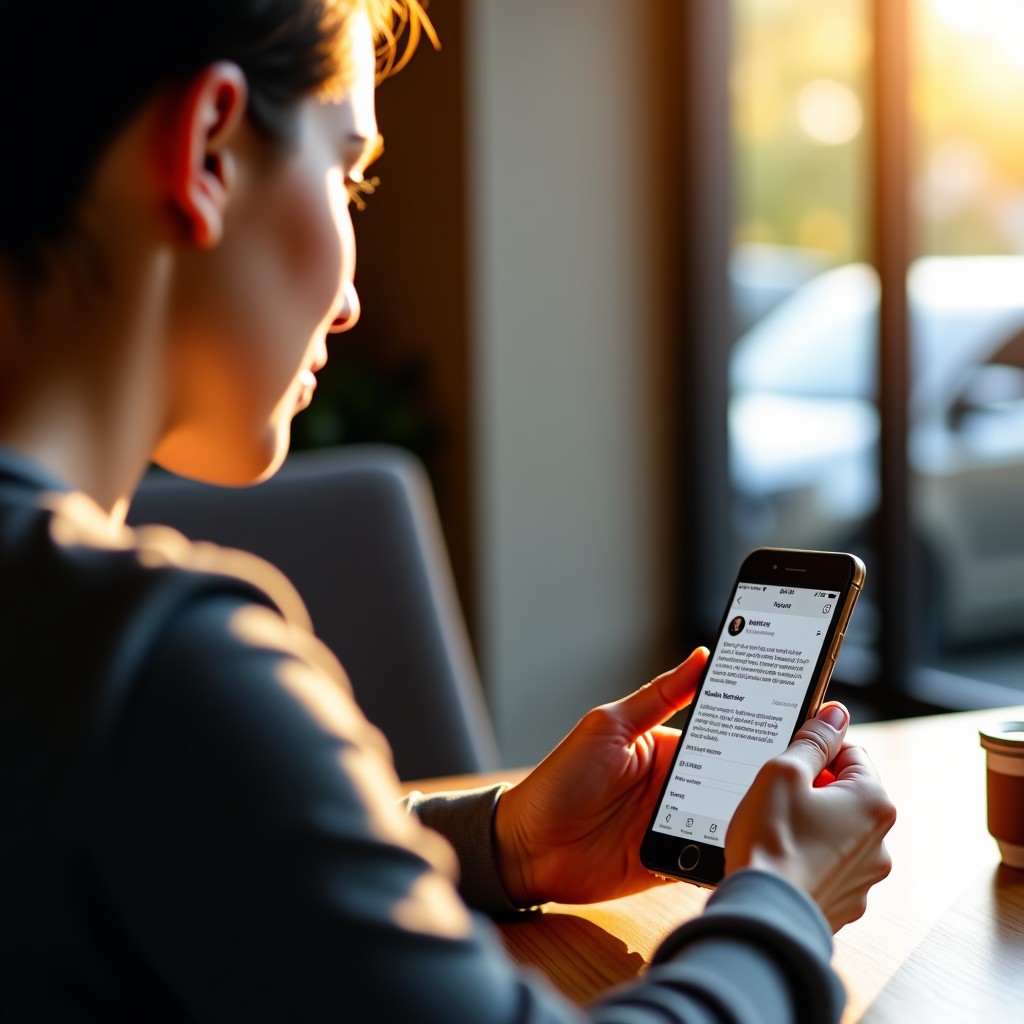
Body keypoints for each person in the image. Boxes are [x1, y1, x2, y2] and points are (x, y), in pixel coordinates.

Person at [0, 2, 896, 1021]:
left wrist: (507, 841)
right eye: (348, 176)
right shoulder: (155, 668)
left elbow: (179, 853)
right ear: (207, 150)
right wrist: (780, 906)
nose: (348, 304)